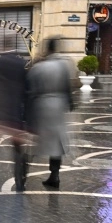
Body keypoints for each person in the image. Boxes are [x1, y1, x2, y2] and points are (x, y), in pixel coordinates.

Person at [26, 38, 74, 189]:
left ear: (47, 49)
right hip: (58, 105)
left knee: (36, 139)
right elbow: (67, 87)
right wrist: (69, 103)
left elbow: (31, 89)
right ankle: (55, 175)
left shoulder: (39, 67)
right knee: (57, 143)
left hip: (41, 105)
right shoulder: (63, 65)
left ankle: (23, 173)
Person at [0, 52, 29, 191]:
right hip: (14, 112)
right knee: (17, 148)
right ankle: (20, 180)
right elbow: (25, 93)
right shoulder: (20, 68)